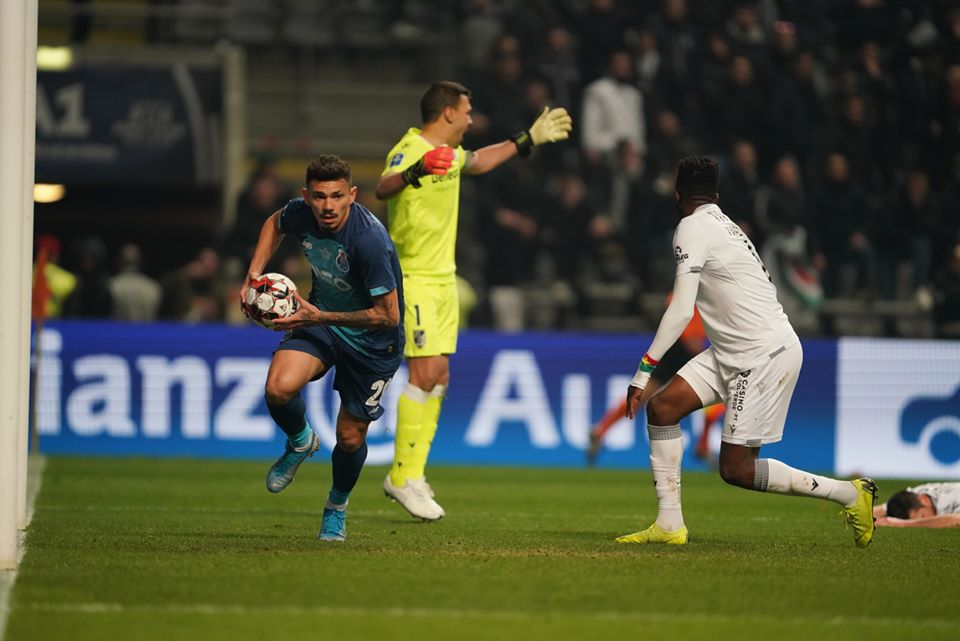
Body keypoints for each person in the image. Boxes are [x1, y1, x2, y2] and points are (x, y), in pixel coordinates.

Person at [617, 155, 878, 548]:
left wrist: (643, 372)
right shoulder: (728, 226)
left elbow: (681, 310)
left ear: (677, 195)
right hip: (734, 348)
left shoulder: (691, 228)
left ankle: (848, 493)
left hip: (762, 354)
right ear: (716, 195)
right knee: (663, 408)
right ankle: (669, 524)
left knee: (736, 469)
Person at [375, 80, 572, 520]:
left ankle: (414, 473)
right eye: (466, 111)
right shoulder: (411, 148)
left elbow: (479, 161)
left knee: (440, 377)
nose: (470, 118)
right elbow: (383, 187)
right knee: (424, 374)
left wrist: (527, 139)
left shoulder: (449, 154)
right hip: (415, 278)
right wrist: (415, 171)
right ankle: (402, 476)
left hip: (444, 279)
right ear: (447, 112)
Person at [242, 155, 405, 542]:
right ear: (306, 196)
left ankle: (336, 507)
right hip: (321, 320)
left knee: (349, 438)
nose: (327, 206)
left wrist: (320, 316)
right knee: (278, 388)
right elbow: (274, 222)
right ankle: (301, 440)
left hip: (372, 342)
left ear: (352, 195)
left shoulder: (368, 241)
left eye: (336, 196)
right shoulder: (300, 213)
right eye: (319, 197)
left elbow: (388, 316)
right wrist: (254, 274)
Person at [586, 295, 724, 465]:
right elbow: (690, 340)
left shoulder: (705, 296)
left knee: (713, 399)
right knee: (714, 395)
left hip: (679, 354)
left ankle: (600, 431)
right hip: (678, 354)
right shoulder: (687, 295)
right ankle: (601, 431)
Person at [873, 483, 960, 529]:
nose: (925, 520)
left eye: (922, 516)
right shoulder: (914, 495)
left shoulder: (951, 501)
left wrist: (903, 524)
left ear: (924, 499)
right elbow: (881, 510)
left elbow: (957, 520)